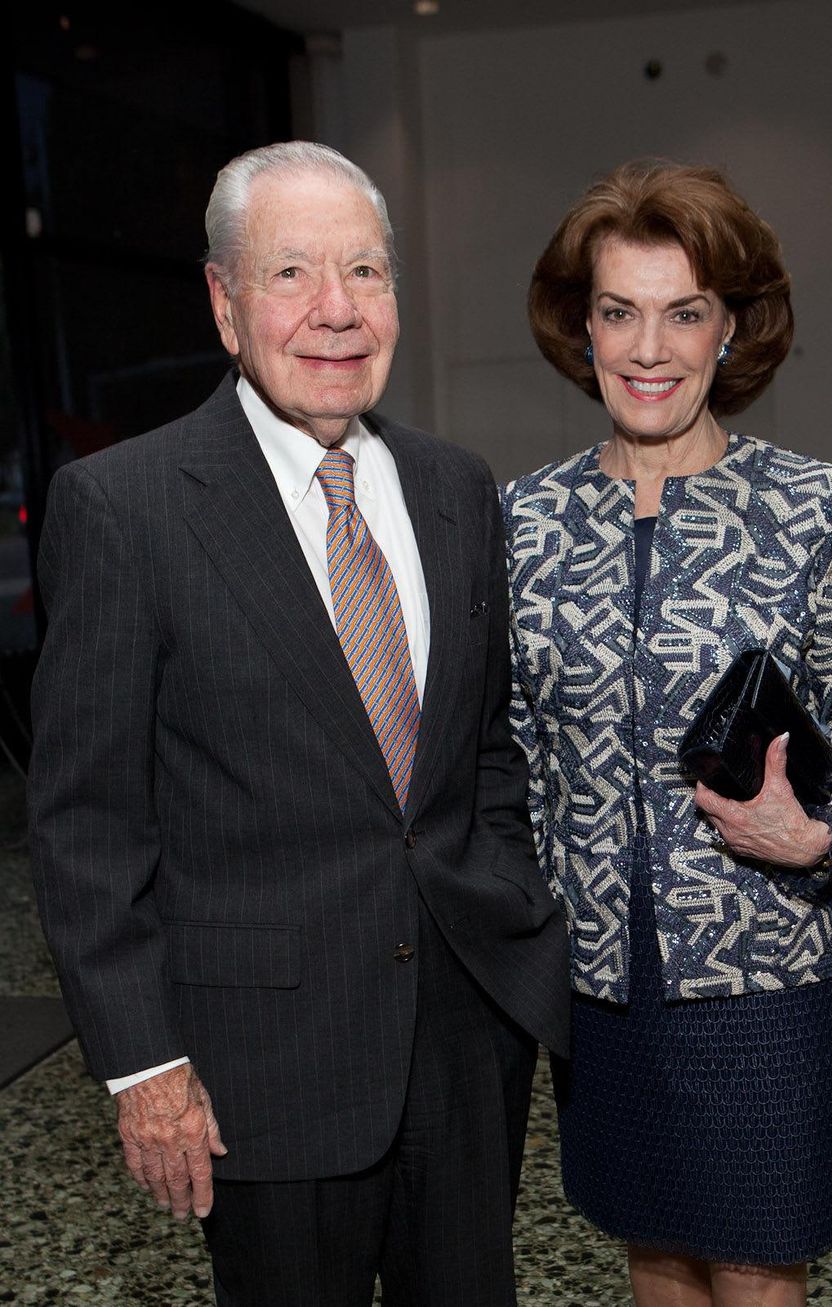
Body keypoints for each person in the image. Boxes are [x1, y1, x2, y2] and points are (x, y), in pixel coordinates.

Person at [29, 140, 569, 1307]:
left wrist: (510, 925)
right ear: (224, 304)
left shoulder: (455, 488)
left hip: (463, 1041)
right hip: (258, 1066)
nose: (336, 309)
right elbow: (87, 824)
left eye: (364, 271)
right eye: (291, 273)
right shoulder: (125, 509)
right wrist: (144, 1064)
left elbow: (484, 751)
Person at [502, 160, 832, 1307]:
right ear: (580, 326)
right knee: (653, 1248)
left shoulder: (810, 505)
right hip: (597, 977)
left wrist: (820, 835)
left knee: (752, 1259)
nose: (649, 348)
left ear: (729, 328)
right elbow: (508, 744)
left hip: (766, 961)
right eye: (618, 311)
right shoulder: (522, 520)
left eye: (682, 313)